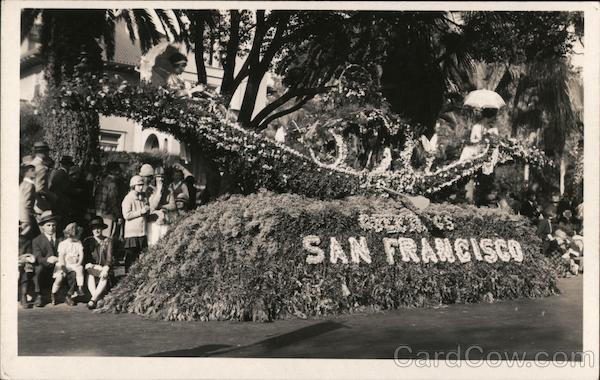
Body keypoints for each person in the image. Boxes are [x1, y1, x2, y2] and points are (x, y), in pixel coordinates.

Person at [31, 211, 61, 307]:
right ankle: (39, 294)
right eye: (48, 225)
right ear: (42, 227)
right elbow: (38, 257)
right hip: (46, 267)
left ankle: (69, 295)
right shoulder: (37, 240)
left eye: (53, 225)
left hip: (59, 266)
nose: (51, 228)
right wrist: (47, 260)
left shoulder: (61, 239)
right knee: (38, 269)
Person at [83, 216, 114, 309]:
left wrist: (106, 267)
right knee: (90, 273)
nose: (96, 230)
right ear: (92, 230)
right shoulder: (88, 241)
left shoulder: (108, 241)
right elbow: (86, 256)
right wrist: (90, 264)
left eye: (99, 228)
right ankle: (96, 298)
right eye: (94, 228)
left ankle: (93, 300)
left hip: (104, 267)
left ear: (102, 229)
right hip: (92, 267)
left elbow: (109, 258)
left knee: (104, 275)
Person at [52, 222, 85, 305]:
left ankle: (73, 292)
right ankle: (53, 293)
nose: (78, 237)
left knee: (77, 272)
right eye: (77, 235)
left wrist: (79, 263)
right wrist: (64, 267)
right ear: (70, 235)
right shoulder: (63, 244)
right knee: (59, 278)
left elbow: (81, 254)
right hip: (64, 264)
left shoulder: (78, 243)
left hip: (74, 265)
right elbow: (61, 257)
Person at [122, 175, 150, 273]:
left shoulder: (142, 198)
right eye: (139, 185)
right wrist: (141, 212)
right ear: (133, 186)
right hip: (132, 233)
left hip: (141, 232)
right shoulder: (128, 198)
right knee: (131, 256)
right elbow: (126, 215)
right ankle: (128, 276)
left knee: (140, 255)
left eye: (142, 185)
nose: (141, 187)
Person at [95, 162, 123, 237]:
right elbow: (113, 201)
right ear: (114, 171)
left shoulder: (102, 181)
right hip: (108, 215)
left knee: (99, 237)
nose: (119, 173)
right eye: (118, 171)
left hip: (99, 213)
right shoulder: (112, 184)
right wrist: (118, 215)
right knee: (107, 239)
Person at [49, 155, 75, 223]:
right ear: (68, 165)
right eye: (69, 165)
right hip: (60, 202)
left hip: (57, 200)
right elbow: (64, 189)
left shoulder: (58, 173)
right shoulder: (62, 174)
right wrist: (75, 191)